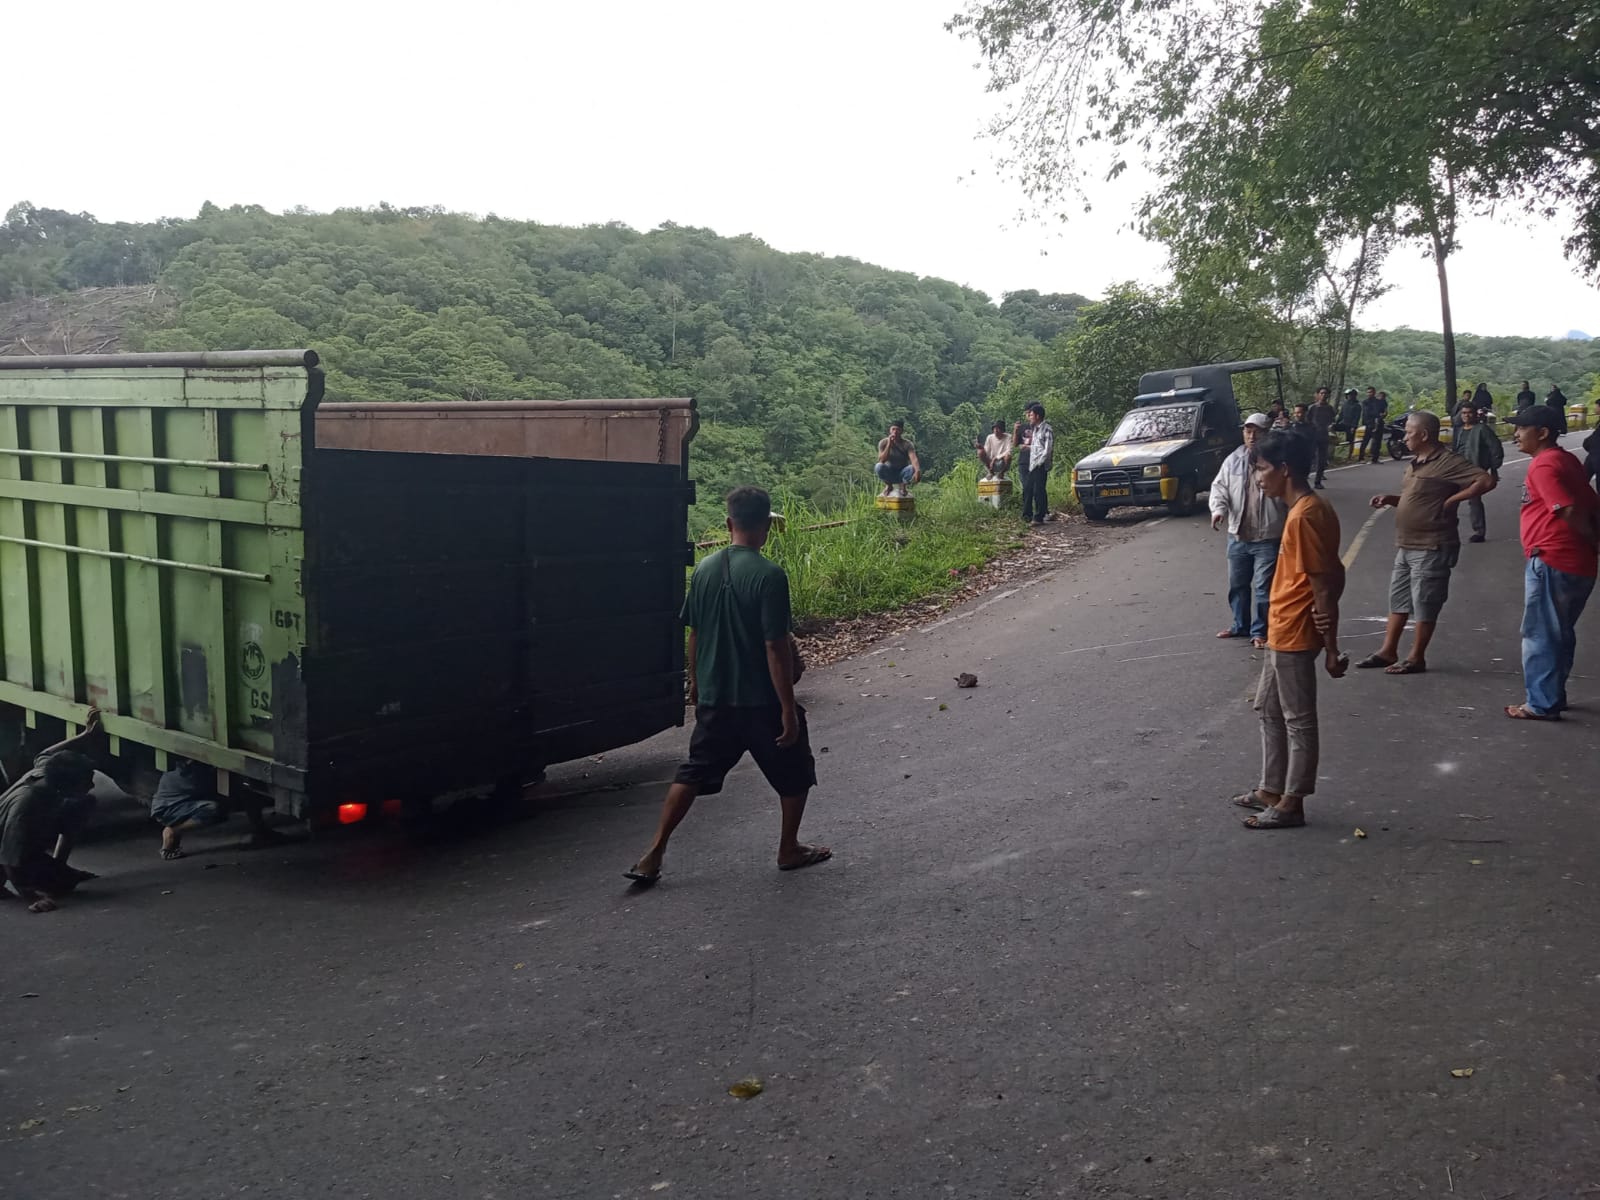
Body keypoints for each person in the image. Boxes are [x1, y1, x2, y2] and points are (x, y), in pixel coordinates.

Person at [626, 486, 827, 884]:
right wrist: (788, 709)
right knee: (795, 772)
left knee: (693, 771)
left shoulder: (702, 570)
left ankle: (654, 851)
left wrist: (696, 683)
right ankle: (788, 848)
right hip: (759, 701)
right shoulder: (770, 576)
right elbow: (775, 646)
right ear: (767, 526)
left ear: (728, 523)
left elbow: (695, 634)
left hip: (717, 698)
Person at [1230, 429, 1346, 830]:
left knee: (1298, 718)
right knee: (1269, 708)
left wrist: (1331, 646)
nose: (1258, 478)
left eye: (1261, 469)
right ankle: (1271, 787)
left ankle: (1292, 800)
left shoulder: (1309, 514)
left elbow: (1325, 581)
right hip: (1281, 628)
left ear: (1284, 470)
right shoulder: (1300, 511)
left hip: (1296, 631)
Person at [1357, 411, 1496, 675]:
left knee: (1425, 601)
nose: (1405, 436)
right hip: (1406, 544)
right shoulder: (1416, 463)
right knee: (1398, 599)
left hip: (1432, 544)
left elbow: (1486, 480)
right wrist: (1392, 499)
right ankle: (1388, 650)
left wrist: (1454, 500)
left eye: (1409, 431)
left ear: (1423, 435)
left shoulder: (1448, 461)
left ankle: (1416, 656)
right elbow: (1417, 498)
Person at [1504, 406, 1600, 720]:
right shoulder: (1566, 460)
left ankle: (1541, 704)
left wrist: (1591, 540)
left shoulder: (1543, 465)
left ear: (1542, 432)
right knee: (1560, 632)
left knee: (1541, 634)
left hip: (1552, 559)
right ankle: (1552, 695)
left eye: (1522, 428)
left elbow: (1567, 509)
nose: (1516, 434)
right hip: (1576, 563)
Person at [0, 716, 106, 913]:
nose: (92, 785)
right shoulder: (27, 806)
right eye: (87, 782)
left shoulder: (48, 771)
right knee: (61, 885)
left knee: (84, 804)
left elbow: (46, 753)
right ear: (67, 787)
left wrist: (85, 735)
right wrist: (31, 898)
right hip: (5, 848)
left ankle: (57, 867)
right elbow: (9, 858)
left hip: (20, 842)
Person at [1210, 413, 1286, 647]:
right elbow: (1219, 487)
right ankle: (1239, 625)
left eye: (1257, 431)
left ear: (1267, 433)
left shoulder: (1277, 460)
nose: (1252, 436)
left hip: (1268, 536)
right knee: (1238, 585)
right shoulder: (1233, 460)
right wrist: (1218, 510)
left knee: (1263, 588)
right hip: (1238, 535)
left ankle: (1260, 631)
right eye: (1248, 431)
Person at [151, 758, 287, 860]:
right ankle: (174, 830)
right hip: (169, 810)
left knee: (240, 794)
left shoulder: (182, 768)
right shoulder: (193, 776)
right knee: (215, 809)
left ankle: (260, 830)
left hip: (169, 806)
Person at [1453, 403, 1503, 542]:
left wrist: (1494, 468)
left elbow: (1495, 448)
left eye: (1469, 412)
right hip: (1458, 469)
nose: (1466, 415)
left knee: (1474, 499)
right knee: (1450, 497)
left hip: (1475, 469)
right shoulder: (1459, 430)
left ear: (1475, 414)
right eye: (1463, 413)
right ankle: (1446, 528)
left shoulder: (1482, 429)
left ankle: (1479, 531)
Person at [1020, 402, 1054, 524]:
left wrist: (1040, 462)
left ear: (1038, 416)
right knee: (1028, 489)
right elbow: (1036, 447)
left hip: (1040, 464)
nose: (1029, 417)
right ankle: (1028, 515)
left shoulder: (1047, 429)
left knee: (1038, 490)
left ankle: (1039, 516)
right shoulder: (1035, 430)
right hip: (1033, 464)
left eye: (1031, 415)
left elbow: (1047, 449)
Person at [875, 420, 920, 498]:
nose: (895, 432)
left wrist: (917, 471)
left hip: (902, 472)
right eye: (893, 429)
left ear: (902, 431)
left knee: (912, 467)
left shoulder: (907, 444)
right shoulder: (883, 443)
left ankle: (903, 486)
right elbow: (882, 460)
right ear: (890, 430)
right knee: (878, 466)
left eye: (898, 429)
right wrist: (889, 444)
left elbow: (914, 459)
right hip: (889, 472)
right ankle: (889, 486)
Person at [1307, 387, 1335, 487]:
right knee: (1309, 456)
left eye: (1325, 393)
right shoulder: (1312, 408)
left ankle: (1318, 481)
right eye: (1321, 393)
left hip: (1324, 435)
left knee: (1321, 459)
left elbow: (1332, 420)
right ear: (1318, 395)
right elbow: (1308, 421)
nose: (1323, 395)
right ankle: (1305, 476)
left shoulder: (1329, 408)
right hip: (1313, 435)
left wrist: (1331, 427)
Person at [1360, 387, 1387, 463]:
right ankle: (1361, 458)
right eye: (1368, 392)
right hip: (1369, 423)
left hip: (1378, 423)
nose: (1369, 394)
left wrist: (1383, 415)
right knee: (1365, 440)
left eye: (1371, 392)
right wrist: (1378, 414)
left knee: (1377, 441)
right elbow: (1367, 412)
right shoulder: (1365, 402)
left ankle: (1375, 458)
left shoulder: (1379, 402)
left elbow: (1384, 411)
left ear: (1374, 392)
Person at [1337, 388, 1362, 458]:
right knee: (1332, 429)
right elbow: (1341, 414)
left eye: (1352, 395)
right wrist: (1337, 422)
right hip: (1344, 423)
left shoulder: (1357, 405)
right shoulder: (1345, 404)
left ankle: (1349, 455)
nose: (1351, 396)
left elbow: (1357, 417)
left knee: (1351, 440)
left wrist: (1353, 427)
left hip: (1351, 425)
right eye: (1349, 395)